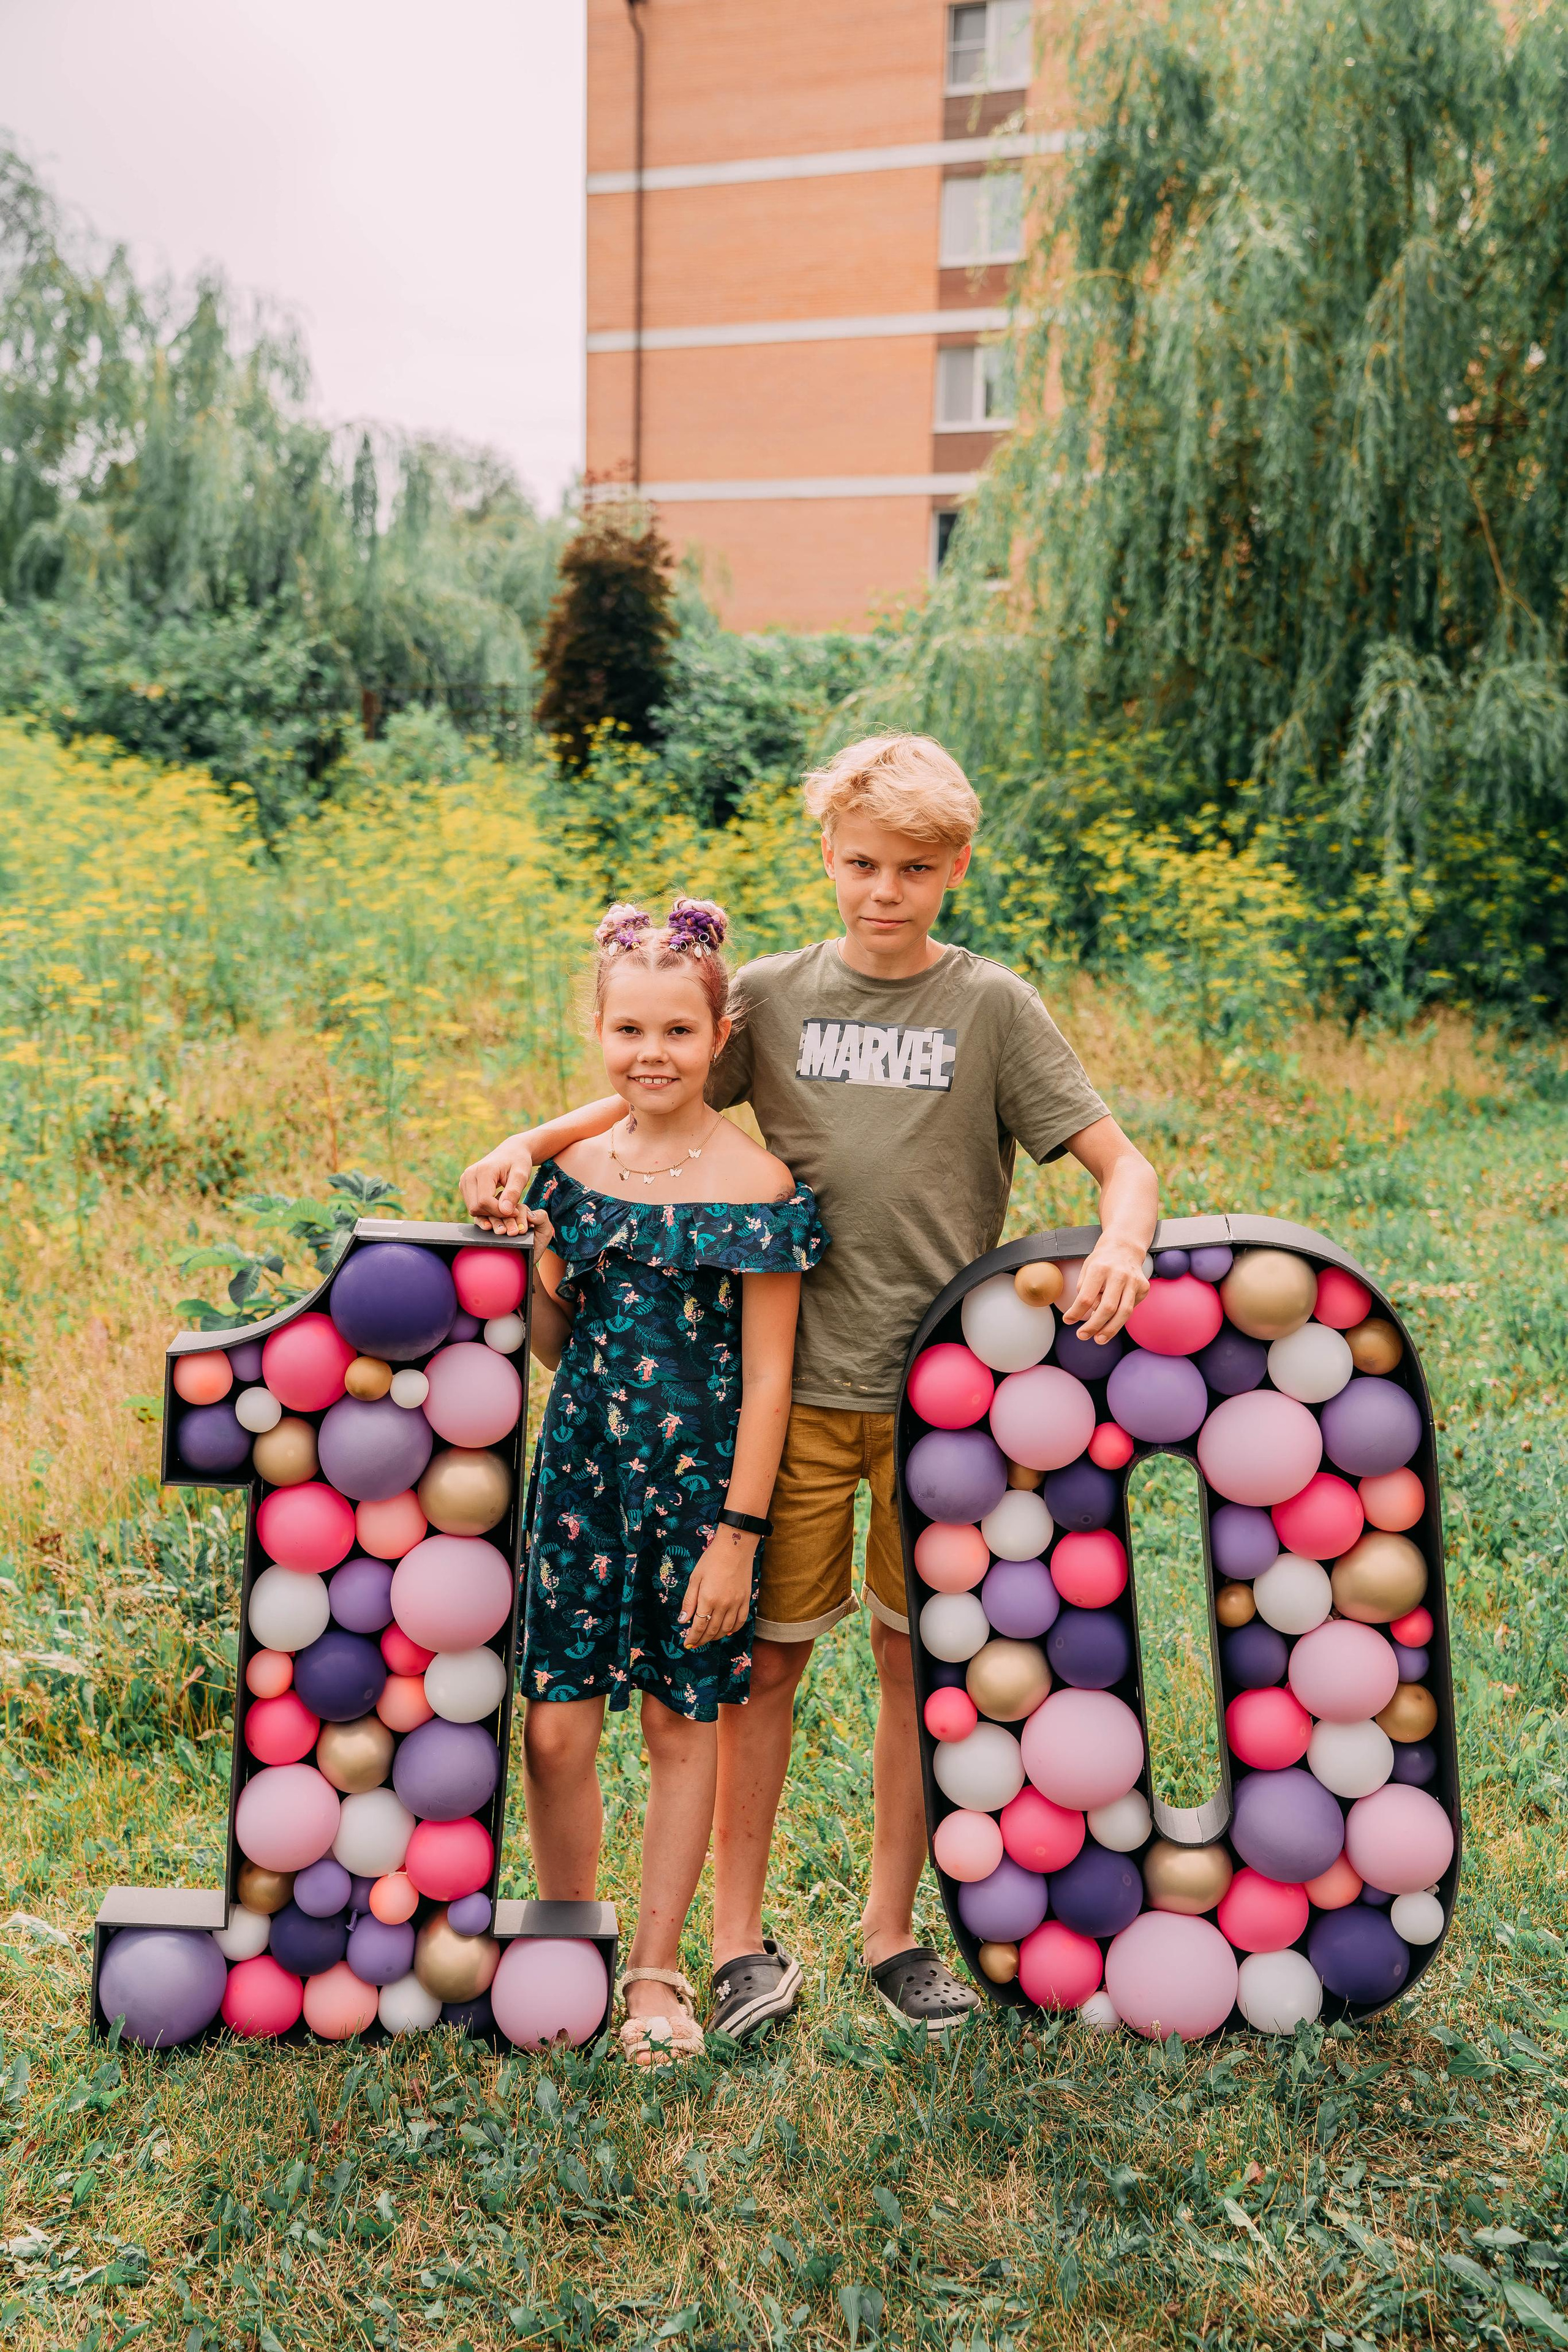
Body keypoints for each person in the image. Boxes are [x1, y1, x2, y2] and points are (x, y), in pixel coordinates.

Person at [466, 736, 1158, 2039]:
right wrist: (529, 1140)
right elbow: (648, 1089)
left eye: (910, 869)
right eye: (856, 864)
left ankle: (890, 1932)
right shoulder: (773, 995)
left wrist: (1120, 1236)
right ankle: (731, 1944)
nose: (880, 891)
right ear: (825, 860)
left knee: (915, 1663)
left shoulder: (991, 1008)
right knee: (759, 1669)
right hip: (770, 1405)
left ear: (954, 868)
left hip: (938, 1398)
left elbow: (1119, 1163)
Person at [519, 895, 827, 2064]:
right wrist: (545, 1265)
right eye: (630, 1032)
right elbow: (558, 1349)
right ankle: (568, 1945)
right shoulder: (573, 1172)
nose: (653, 1056)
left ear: (720, 1036)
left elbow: (769, 1380)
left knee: (678, 1721)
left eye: (679, 1035)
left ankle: (655, 1975)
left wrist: (739, 1537)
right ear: (598, 1031)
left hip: (701, 1497)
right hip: (584, 1480)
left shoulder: (754, 1185)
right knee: (555, 1731)